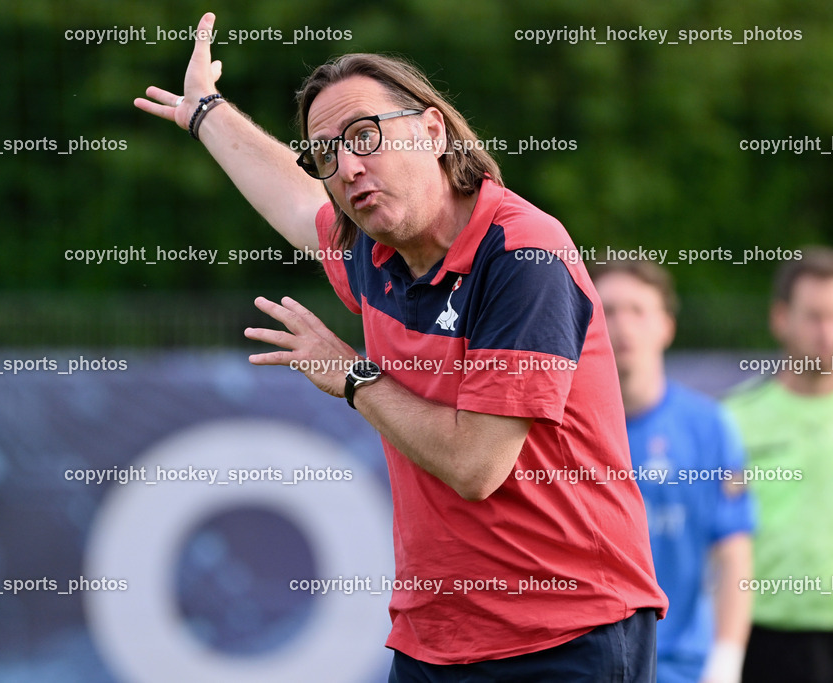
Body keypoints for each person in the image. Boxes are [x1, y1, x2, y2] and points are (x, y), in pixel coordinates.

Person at [135, 13, 667, 680]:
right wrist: (206, 112)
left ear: (433, 131)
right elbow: (299, 205)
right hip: (434, 636)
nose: (348, 166)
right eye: (327, 152)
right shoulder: (372, 248)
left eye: (365, 136)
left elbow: (476, 464)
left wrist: (352, 376)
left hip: (568, 631)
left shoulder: (522, 253)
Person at [593, 260, 754, 683]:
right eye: (608, 310)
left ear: (666, 326)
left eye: (637, 310)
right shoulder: (558, 429)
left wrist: (726, 660)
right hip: (587, 665)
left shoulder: (710, 426)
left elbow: (734, 552)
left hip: (685, 667)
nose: (622, 324)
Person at [724, 247, 833, 683]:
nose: (827, 332)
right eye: (813, 316)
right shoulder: (733, 419)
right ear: (780, 318)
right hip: (761, 636)